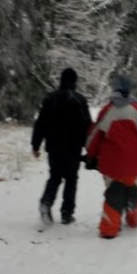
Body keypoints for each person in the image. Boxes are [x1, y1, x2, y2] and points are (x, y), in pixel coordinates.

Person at [84, 75, 137, 239]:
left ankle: (109, 228)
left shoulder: (108, 110)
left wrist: (90, 154)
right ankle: (134, 218)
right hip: (135, 164)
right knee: (132, 190)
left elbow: (94, 136)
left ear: (115, 90)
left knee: (114, 193)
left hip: (111, 165)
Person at [32, 67, 92, 225]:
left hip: (54, 146)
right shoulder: (80, 100)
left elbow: (41, 123)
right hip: (73, 147)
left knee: (55, 176)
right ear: (75, 82)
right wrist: (90, 147)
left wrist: (35, 145)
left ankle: (46, 202)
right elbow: (87, 125)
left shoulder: (50, 99)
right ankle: (67, 213)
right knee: (71, 179)